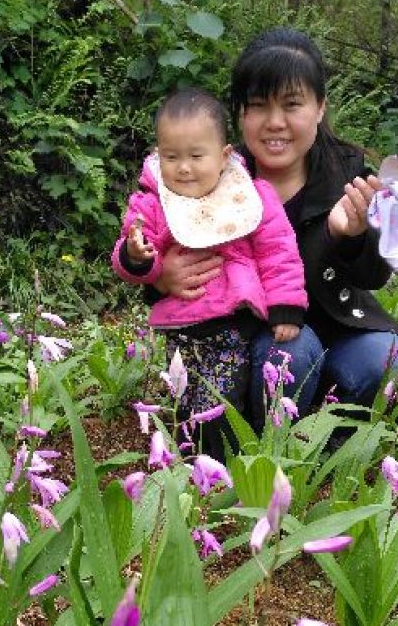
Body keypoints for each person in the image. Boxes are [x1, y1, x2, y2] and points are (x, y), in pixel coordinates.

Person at [154, 28, 398, 429]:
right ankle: (269, 444)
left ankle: (326, 438)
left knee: (389, 359)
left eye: (292, 104)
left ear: (320, 107)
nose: (275, 123)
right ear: (240, 113)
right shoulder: (215, 176)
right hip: (256, 341)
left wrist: (349, 237)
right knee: (292, 350)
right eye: (258, 106)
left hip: (339, 331)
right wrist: (161, 277)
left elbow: (374, 275)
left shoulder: (346, 175)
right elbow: (152, 240)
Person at [112, 87, 308, 458]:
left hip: (232, 325)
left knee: (218, 403)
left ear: (224, 156)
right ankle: (188, 462)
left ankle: (216, 468)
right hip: (180, 328)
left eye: (196, 156)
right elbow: (129, 252)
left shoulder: (249, 195)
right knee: (182, 399)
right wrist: (136, 256)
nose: (183, 167)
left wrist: (286, 306)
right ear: (157, 156)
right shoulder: (152, 202)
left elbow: (279, 251)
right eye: (171, 157)